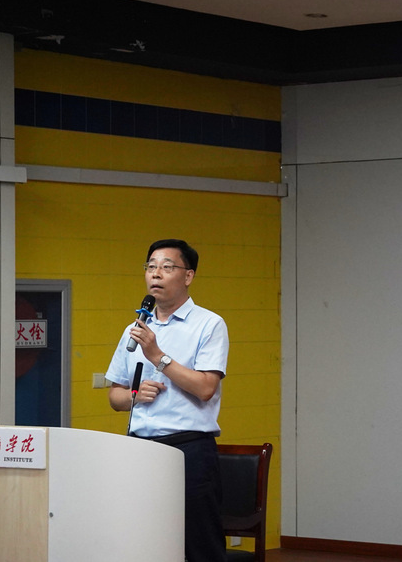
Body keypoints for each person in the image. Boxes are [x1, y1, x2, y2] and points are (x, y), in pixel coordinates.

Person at [106, 239, 228, 562]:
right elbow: (115, 396)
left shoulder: (209, 324)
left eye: (166, 267)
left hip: (189, 450)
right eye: (151, 267)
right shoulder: (135, 329)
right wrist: (134, 396)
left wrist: (158, 356)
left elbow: (206, 388)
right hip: (140, 449)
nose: (156, 274)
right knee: (142, 541)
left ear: (188, 276)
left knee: (199, 545)